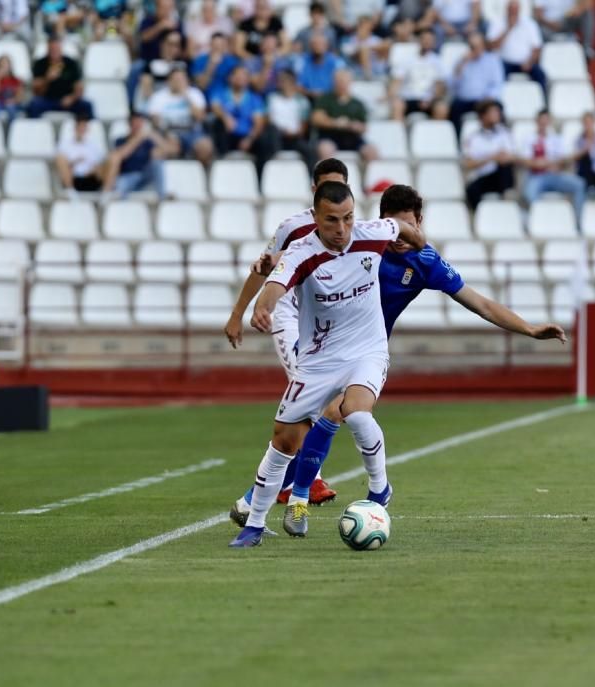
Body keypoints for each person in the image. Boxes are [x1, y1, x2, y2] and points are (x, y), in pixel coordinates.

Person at [228, 181, 567, 534]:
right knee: (301, 426)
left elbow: (480, 303)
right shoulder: (367, 242)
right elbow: (310, 252)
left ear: (418, 222)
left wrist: (529, 329)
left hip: (366, 351)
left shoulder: (424, 261)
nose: (402, 237)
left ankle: (306, 500)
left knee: (342, 412)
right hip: (321, 344)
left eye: (410, 226)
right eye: (396, 226)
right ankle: (279, 501)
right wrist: (271, 265)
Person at [228, 181, 427, 548]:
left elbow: (403, 228)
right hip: (319, 357)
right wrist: (261, 307)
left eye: (348, 218)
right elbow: (276, 283)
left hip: (367, 350)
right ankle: (261, 520)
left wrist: (421, 244)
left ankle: (379, 492)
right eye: (332, 220)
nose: (342, 229)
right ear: (316, 218)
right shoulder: (301, 251)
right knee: (285, 438)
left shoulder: (372, 232)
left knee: (355, 411)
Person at [225, 159, 353, 512]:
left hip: (321, 319)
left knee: (330, 398)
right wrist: (240, 313)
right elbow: (264, 267)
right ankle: (304, 482)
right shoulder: (292, 227)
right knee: (310, 389)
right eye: (326, 186)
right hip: (286, 312)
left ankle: (288, 481)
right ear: (314, 191)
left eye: (339, 186)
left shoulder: (352, 232)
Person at [210, 65, 278, 176]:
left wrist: (249, 139)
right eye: (238, 75)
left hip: (247, 137)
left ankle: (260, 177)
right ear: (230, 78)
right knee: (218, 124)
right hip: (228, 136)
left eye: (244, 76)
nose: (241, 78)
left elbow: (258, 122)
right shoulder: (221, 93)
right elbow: (215, 107)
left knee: (264, 139)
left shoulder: (254, 98)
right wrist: (225, 117)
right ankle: (222, 171)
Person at [519, 109, 585, 224]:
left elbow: (565, 159)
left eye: (546, 120)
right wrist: (538, 163)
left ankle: (578, 222)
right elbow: (525, 160)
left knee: (579, 185)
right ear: (537, 121)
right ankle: (539, 221)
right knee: (529, 193)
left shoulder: (557, 139)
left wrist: (556, 165)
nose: (544, 123)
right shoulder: (529, 138)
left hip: (555, 175)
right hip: (536, 176)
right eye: (542, 120)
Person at [147, 68, 214, 166]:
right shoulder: (158, 97)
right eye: (176, 79)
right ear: (168, 81)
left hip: (192, 131)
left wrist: (186, 96)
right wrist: (166, 131)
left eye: (181, 79)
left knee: (206, 147)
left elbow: (200, 117)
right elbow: (155, 121)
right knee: (161, 151)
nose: (179, 82)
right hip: (168, 132)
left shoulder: (194, 94)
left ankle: (203, 178)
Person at [311, 68, 376, 161]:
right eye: (339, 81)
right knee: (325, 149)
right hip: (330, 137)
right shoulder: (325, 99)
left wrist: (352, 125)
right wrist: (335, 123)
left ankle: (367, 175)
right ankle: (328, 174)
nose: (342, 84)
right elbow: (316, 119)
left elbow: (364, 127)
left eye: (344, 81)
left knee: (371, 151)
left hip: (353, 139)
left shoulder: (357, 103)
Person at [462, 99, 515, 209]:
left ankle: (507, 202)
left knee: (504, 169)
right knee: (471, 190)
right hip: (484, 177)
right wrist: (492, 157)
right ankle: (481, 215)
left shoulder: (504, 133)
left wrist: (501, 158)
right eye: (493, 112)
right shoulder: (473, 138)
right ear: (483, 116)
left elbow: (511, 156)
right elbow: (469, 164)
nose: (497, 115)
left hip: (501, 175)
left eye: (497, 112)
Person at [107, 111, 171, 199]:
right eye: (136, 123)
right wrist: (138, 138)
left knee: (157, 162)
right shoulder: (120, 140)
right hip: (127, 176)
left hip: (144, 176)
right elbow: (122, 154)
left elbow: (169, 150)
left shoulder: (147, 142)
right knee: (119, 187)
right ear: (130, 124)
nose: (138, 126)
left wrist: (154, 136)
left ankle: (162, 197)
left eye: (140, 123)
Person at [449, 32, 504, 134]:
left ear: (483, 46)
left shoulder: (492, 60)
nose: (474, 49)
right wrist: (461, 65)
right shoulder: (461, 61)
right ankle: (457, 140)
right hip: (464, 100)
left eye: (477, 46)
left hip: (484, 100)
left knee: (497, 108)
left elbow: (497, 84)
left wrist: (489, 97)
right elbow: (452, 85)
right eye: (472, 46)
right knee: (454, 108)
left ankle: (500, 138)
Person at [390, 26, 448, 120]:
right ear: (419, 40)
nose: (427, 42)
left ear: (434, 42)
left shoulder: (438, 62)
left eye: (430, 39)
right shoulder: (407, 60)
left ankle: (435, 133)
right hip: (408, 98)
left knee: (441, 108)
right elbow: (397, 81)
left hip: (429, 100)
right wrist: (392, 96)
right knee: (397, 105)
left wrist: (430, 99)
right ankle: (398, 133)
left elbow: (440, 87)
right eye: (424, 39)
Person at [28, 34, 92, 118]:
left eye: (56, 49)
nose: (54, 52)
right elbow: (35, 90)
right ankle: (36, 130)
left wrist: (72, 98)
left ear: (61, 49)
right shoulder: (40, 63)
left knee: (87, 106)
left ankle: (86, 130)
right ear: (48, 48)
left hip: (68, 100)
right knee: (33, 106)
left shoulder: (71, 63)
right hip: (47, 100)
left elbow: (79, 86)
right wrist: (47, 79)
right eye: (52, 49)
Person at [487, 0, 546, 91]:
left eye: (515, 10)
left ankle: (543, 101)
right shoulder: (497, 22)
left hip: (526, 63)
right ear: (506, 10)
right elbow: (491, 47)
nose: (513, 12)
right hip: (504, 62)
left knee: (540, 74)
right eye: (511, 10)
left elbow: (537, 48)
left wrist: (530, 62)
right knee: (497, 73)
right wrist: (508, 29)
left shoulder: (530, 24)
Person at [55, 111, 108, 196]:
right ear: (75, 127)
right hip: (73, 178)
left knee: (105, 162)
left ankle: (105, 193)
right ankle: (70, 191)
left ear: (87, 128)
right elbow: (61, 164)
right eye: (80, 126)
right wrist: (73, 163)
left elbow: (100, 163)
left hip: (91, 178)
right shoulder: (65, 145)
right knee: (60, 159)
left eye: (84, 126)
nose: (81, 129)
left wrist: (93, 170)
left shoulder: (94, 146)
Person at [268, 68, 312, 162]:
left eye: (284, 80)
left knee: (310, 151)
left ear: (292, 81)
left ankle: (312, 175)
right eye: (280, 80)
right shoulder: (272, 98)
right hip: (276, 136)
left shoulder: (302, 101)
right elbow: (268, 120)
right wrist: (282, 131)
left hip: (294, 138)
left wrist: (292, 133)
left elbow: (303, 127)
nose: (281, 82)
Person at [192, 32, 241, 99]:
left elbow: (237, 85)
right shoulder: (200, 60)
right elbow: (202, 85)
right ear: (210, 45)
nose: (217, 48)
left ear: (225, 46)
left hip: (226, 98)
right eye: (215, 45)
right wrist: (212, 64)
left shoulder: (232, 62)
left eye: (220, 45)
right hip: (205, 96)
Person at [297, 32, 345, 99]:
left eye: (321, 44)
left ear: (327, 45)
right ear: (310, 46)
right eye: (315, 44)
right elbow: (297, 86)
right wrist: (310, 93)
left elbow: (342, 85)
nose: (318, 47)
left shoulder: (336, 63)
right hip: (307, 98)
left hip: (331, 98)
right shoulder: (302, 61)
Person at [0, 54, 24, 119]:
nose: (3, 67)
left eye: (5, 64)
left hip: (12, 103)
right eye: (1, 65)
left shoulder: (16, 80)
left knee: (11, 109)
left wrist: (12, 101)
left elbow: (19, 97)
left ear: (10, 66)